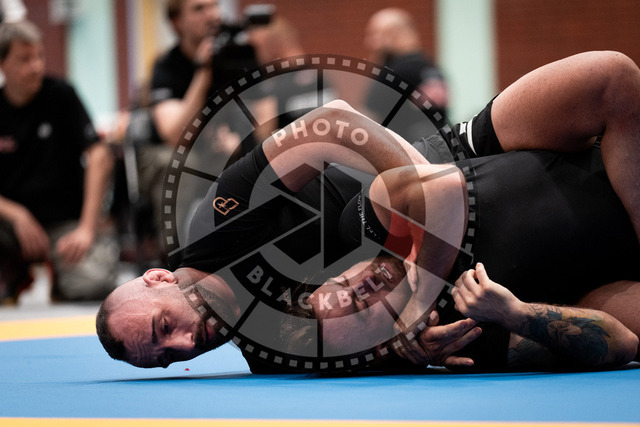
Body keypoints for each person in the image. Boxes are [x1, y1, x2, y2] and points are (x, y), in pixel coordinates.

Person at [97, 50, 640, 371]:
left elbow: (333, 122)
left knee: (609, 79)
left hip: (440, 170)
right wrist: (411, 347)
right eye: (168, 357)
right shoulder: (272, 353)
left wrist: (424, 187)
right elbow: (383, 343)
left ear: (157, 279)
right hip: (465, 274)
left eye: (165, 326)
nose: (186, 344)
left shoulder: (217, 224)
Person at [0, 20, 118, 302]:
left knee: (93, 284)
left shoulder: (61, 95)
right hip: (9, 225)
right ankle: (13, 271)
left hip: (64, 224)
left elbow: (100, 156)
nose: (36, 66)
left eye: (39, 56)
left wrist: (86, 229)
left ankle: (60, 277)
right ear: (2, 64)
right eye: (25, 59)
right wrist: (17, 214)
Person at [363, 7, 448, 142]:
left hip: (403, 149)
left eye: (374, 34)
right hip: (438, 147)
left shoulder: (393, 74)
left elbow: (368, 119)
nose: (369, 42)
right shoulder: (431, 68)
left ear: (394, 34)